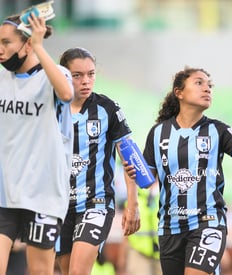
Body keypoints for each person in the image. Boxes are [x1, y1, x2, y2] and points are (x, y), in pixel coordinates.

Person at [124, 66, 232, 275]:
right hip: (170, 228)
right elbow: (146, 180)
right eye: (199, 83)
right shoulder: (158, 133)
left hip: (208, 222)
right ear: (179, 92)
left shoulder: (217, 129)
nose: (207, 89)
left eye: (209, 85)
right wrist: (132, 173)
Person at [55, 47, 140, 275]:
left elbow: (129, 158)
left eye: (91, 74)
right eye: (77, 75)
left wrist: (133, 204)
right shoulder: (50, 109)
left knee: (77, 272)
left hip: (96, 203)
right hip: (58, 205)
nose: (86, 81)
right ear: (63, 74)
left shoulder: (107, 108)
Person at [0, 12, 74, 275]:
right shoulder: (1, 80)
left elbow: (66, 94)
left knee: (39, 272)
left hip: (43, 195)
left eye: (6, 42)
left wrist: (41, 47)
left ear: (27, 44)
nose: (0, 49)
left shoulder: (55, 75)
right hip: (5, 194)